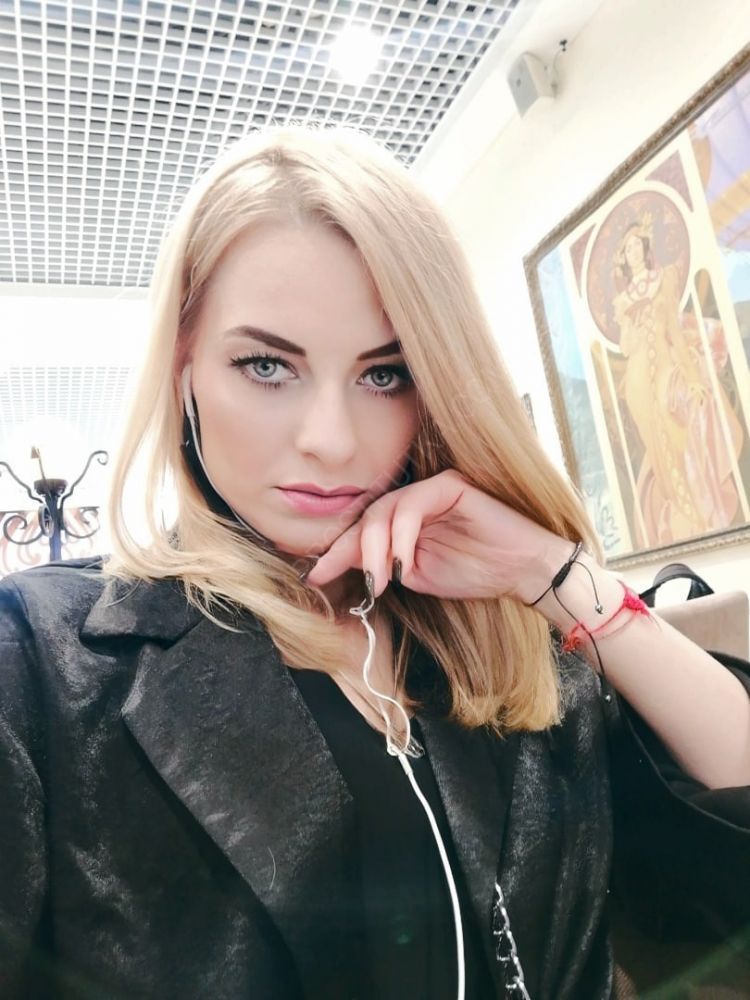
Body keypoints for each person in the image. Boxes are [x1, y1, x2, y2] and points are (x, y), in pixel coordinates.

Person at [1, 124, 749, 1000]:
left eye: (385, 374)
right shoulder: (45, 663)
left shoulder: (506, 637)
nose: (331, 440)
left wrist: (554, 574)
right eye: (267, 365)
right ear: (184, 368)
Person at [612, 215, 743, 547]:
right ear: (624, 258)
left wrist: (693, 376)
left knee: (680, 434)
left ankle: (701, 513)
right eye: (627, 248)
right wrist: (629, 323)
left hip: (665, 367)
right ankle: (684, 519)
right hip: (638, 381)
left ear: (645, 248)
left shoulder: (664, 279)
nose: (633, 251)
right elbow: (626, 346)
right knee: (658, 452)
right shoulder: (621, 302)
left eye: (637, 245)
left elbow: (674, 330)